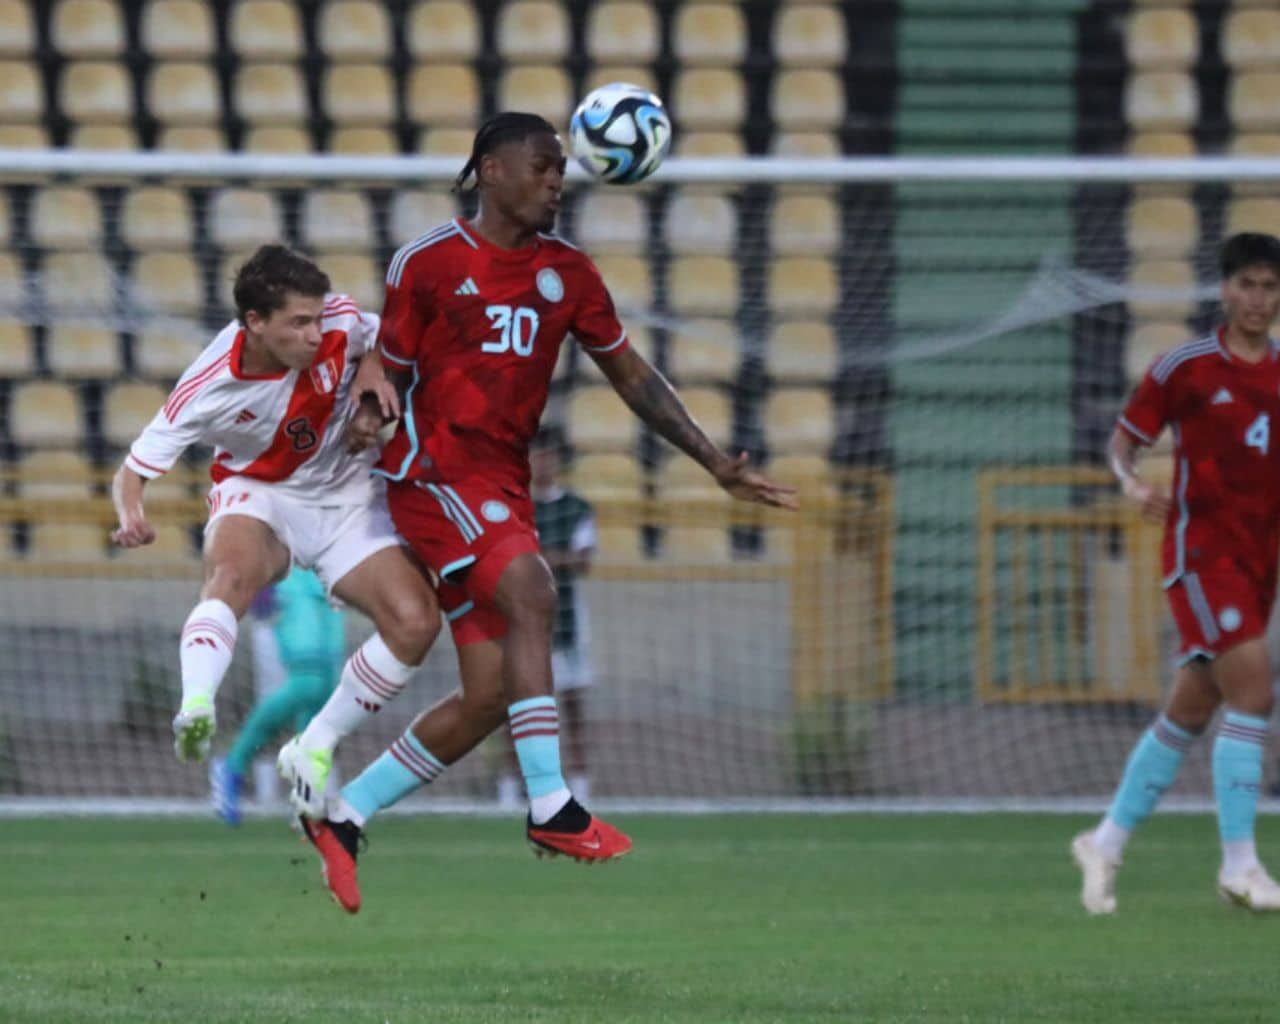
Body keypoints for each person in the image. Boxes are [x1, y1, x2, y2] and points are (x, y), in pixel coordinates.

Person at [285, 111, 796, 902]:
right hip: (433, 476)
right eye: (543, 165)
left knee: (491, 693)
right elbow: (388, 366)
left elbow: (633, 376)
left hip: (502, 487)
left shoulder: (570, 275)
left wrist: (712, 461)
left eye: (562, 168)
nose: (558, 180)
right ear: (492, 171)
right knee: (533, 588)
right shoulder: (429, 262)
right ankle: (552, 803)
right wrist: (367, 408)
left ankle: (345, 818)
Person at [111, 245, 439, 773]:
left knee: (415, 623)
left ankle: (314, 744)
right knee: (231, 575)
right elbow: (133, 469)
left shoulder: (339, 320)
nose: (314, 334)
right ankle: (197, 704)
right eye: (299, 322)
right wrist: (132, 515)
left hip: (347, 493)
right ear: (256, 322)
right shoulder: (207, 386)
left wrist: (373, 375)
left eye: (317, 319)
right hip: (261, 492)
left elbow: (389, 335)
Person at [1072, 232, 1280, 914]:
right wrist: (1131, 484)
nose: (1258, 299)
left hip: (1260, 564)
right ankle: (1240, 866)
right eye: (1247, 285)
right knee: (1254, 692)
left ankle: (1104, 842)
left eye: (1270, 287)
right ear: (1225, 290)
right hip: (1202, 557)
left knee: (1192, 709)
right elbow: (1123, 441)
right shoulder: (1186, 367)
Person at [498, 425, 597, 806]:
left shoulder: (577, 507)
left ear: (560, 460)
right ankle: (510, 786)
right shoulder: (513, 504)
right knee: (515, 708)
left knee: (572, 706)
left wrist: (536, 559)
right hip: (518, 619)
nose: (543, 462)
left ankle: (580, 785)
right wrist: (551, 559)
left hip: (567, 617)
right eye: (537, 454)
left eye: (550, 454)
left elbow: (583, 560)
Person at [209, 567, 346, 825]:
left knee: (326, 690)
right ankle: (232, 763)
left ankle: (307, 791)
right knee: (308, 681)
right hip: (292, 575)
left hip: (328, 573)